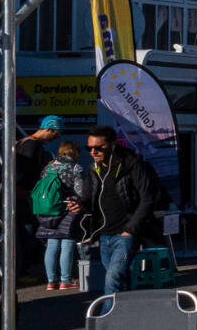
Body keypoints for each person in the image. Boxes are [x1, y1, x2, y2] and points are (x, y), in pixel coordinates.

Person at [67, 126, 163, 294]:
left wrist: (130, 230)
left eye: (99, 147)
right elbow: (88, 201)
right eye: (89, 148)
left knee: (112, 279)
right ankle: (127, 310)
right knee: (121, 280)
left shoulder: (132, 165)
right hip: (104, 235)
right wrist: (78, 205)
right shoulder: (93, 169)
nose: (93, 152)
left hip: (126, 233)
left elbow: (148, 198)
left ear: (112, 144)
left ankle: (107, 311)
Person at [11, 115, 63, 276]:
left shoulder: (24, 142)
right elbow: (23, 172)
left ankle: (23, 269)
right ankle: (23, 270)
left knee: (25, 233)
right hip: (25, 197)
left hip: (23, 195)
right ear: (48, 128)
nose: (56, 138)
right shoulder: (32, 145)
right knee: (26, 234)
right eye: (56, 133)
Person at [33, 142, 83, 291]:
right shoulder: (75, 168)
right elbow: (80, 192)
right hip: (68, 208)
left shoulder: (47, 168)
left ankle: (51, 281)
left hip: (47, 210)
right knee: (67, 244)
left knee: (52, 244)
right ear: (75, 153)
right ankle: (65, 280)